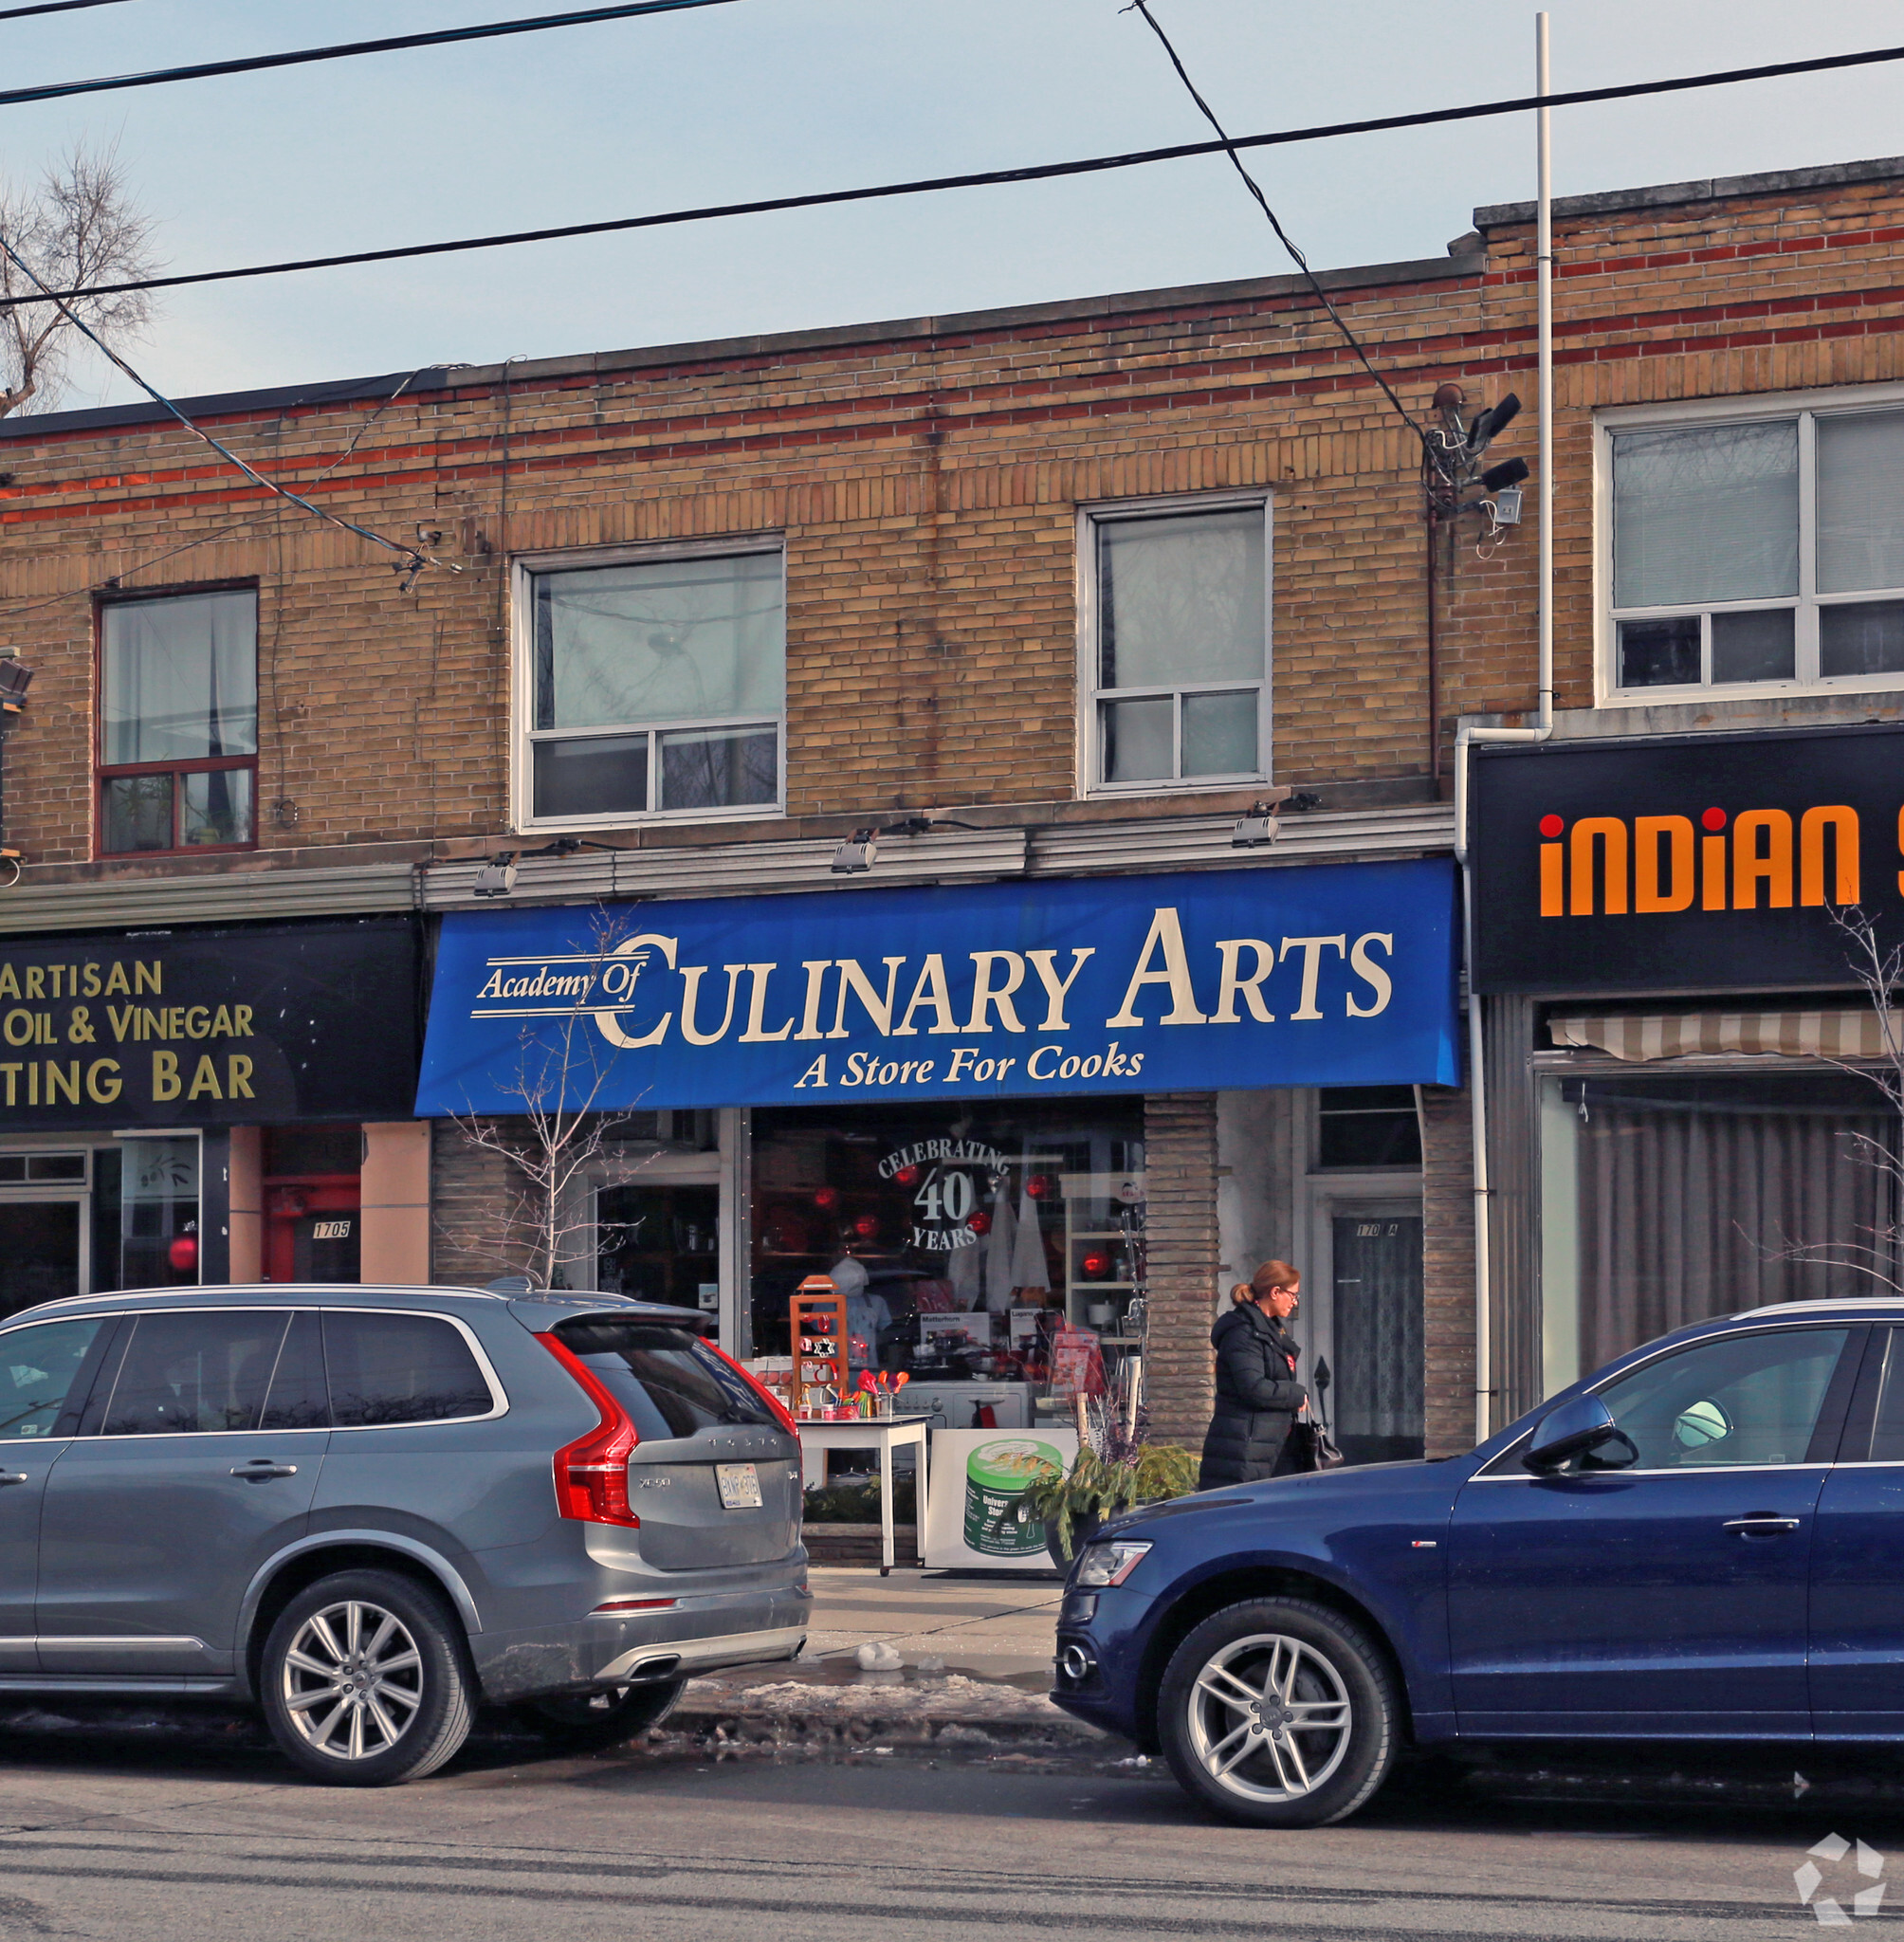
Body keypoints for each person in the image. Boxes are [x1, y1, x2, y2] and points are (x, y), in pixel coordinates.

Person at [1198, 1260, 1307, 1489]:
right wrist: (1295, 1394)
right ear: (1275, 1292)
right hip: (1242, 1451)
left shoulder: (1270, 1331)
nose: (1295, 1302)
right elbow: (1254, 1387)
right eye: (1293, 1295)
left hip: (1263, 1446)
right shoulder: (1244, 1333)